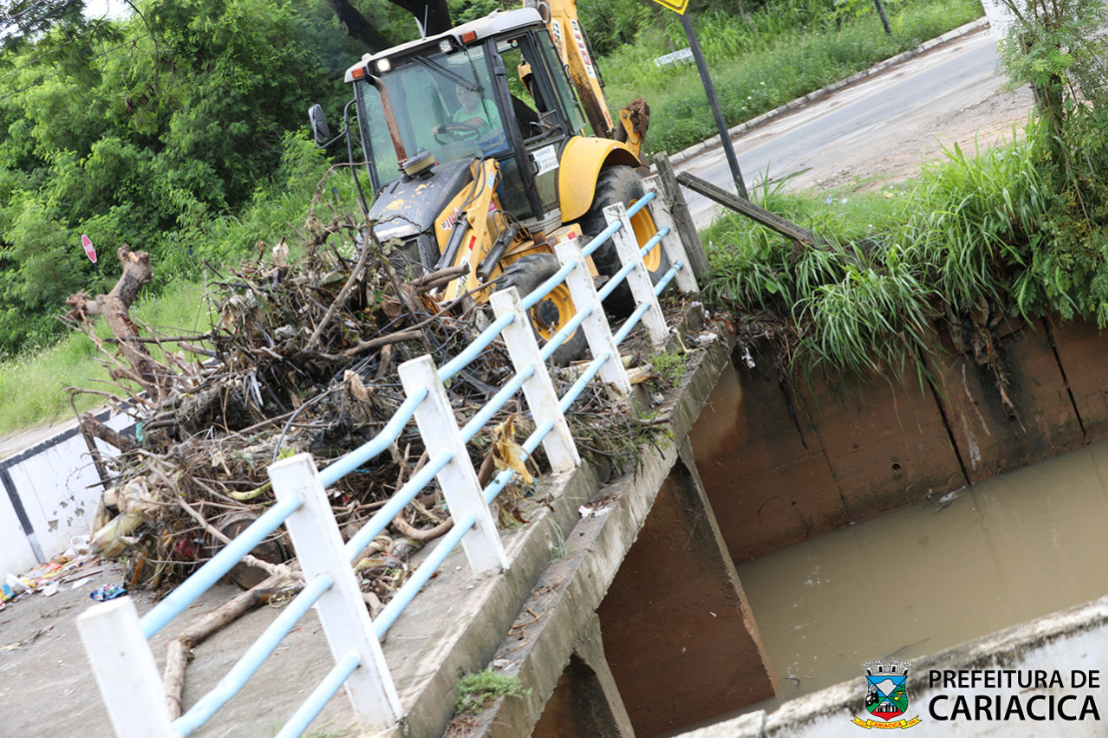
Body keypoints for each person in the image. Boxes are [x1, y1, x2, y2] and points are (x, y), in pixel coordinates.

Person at [435, 83, 502, 138]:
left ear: (476, 92)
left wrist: (449, 127)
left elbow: (477, 123)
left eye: (466, 92)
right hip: (474, 152)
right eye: (460, 94)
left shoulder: (487, 104)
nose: (464, 97)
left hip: (496, 148)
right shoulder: (458, 115)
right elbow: (458, 139)